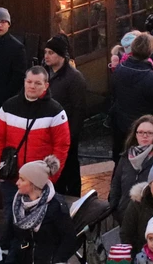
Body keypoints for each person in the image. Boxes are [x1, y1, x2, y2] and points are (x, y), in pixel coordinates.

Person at [0, 66, 71, 211]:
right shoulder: (8, 107)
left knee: (37, 221)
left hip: (38, 183)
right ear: (24, 82)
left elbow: (62, 146)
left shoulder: (55, 111)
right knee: (10, 219)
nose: (32, 86)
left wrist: (50, 177)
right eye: (29, 82)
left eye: (37, 83)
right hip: (11, 179)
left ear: (46, 85)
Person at [0, 155, 79, 264]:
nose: (17, 182)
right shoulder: (17, 202)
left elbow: (69, 239)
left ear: (34, 184)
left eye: (22, 179)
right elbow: (11, 234)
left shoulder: (55, 206)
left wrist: (56, 260)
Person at [114, 33, 153, 158]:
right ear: (150, 51)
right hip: (143, 129)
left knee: (122, 162)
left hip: (121, 125)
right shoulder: (152, 78)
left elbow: (114, 94)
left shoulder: (119, 69)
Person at [42, 34, 86, 196]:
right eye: (45, 52)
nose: (46, 56)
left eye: (51, 53)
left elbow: (79, 109)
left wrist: (72, 135)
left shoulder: (74, 78)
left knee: (70, 168)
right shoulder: (43, 74)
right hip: (47, 131)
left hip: (66, 132)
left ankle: (73, 199)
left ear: (61, 55)